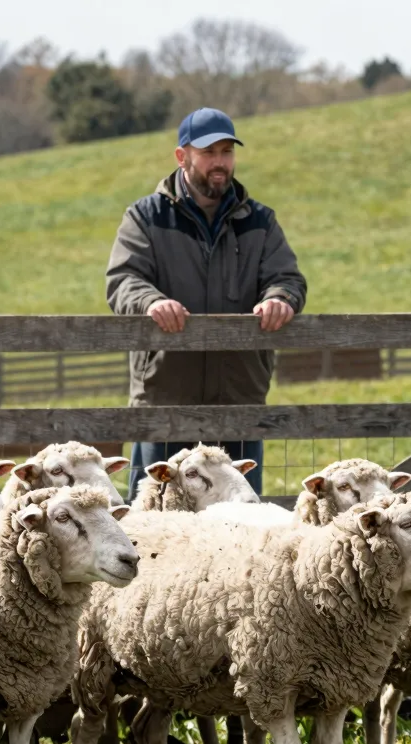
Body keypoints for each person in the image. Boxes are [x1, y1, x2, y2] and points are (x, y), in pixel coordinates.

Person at [105, 107, 307, 500]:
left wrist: (279, 299)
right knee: (153, 517)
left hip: (239, 397)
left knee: (241, 519)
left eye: (226, 151)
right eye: (209, 152)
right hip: (165, 396)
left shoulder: (260, 222)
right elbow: (123, 280)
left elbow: (287, 277)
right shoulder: (146, 217)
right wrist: (151, 302)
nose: (220, 162)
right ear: (183, 156)